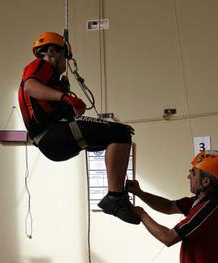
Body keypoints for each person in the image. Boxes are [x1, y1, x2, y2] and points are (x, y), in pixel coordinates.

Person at [18, 32, 139, 224]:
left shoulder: (52, 80)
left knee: (119, 135)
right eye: (64, 57)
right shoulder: (40, 65)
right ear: (51, 51)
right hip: (52, 134)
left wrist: (65, 99)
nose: (66, 64)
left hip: (53, 139)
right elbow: (29, 87)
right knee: (120, 132)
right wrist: (64, 97)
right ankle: (115, 198)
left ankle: (117, 195)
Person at [126, 150, 218, 263]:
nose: (189, 176)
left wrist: (141, 214)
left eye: (193, 172)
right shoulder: (202, 201)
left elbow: (168, 237)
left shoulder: (209, 208)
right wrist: (139, 193)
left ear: (205, 182)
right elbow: (169, 206)